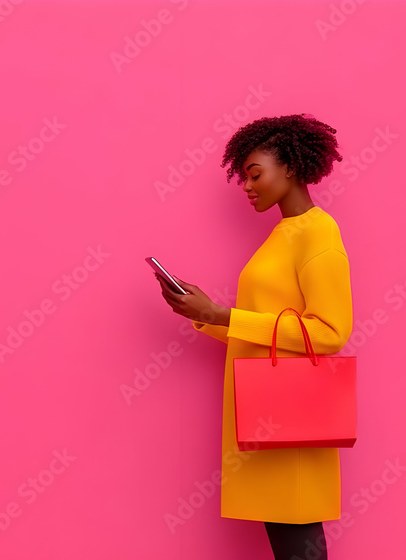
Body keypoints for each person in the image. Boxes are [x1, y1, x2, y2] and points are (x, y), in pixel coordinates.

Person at [155, 113, 353, 560]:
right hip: (267, 415)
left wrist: (224, 313)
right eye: (243, 176)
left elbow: (330, 332)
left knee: (300, 545)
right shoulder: (284, 234)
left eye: (255, 174)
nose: (246, 186)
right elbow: (265, 326)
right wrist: (208, 316)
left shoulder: (318, 231)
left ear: (291, 168)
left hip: (292, 417)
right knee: (289, 546)